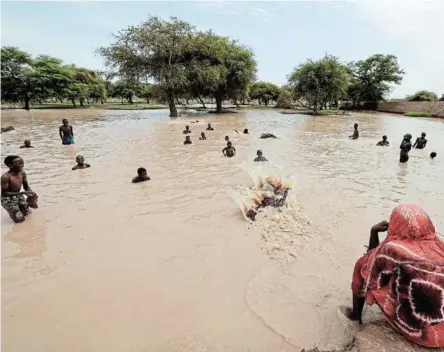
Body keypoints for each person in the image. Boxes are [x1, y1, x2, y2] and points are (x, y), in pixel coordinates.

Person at [341, 204, 444, 348]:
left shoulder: (393, 250)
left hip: (419, 331)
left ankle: (356, 314)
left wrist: (373, 232)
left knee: (362, 266)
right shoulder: (440, 246)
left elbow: (370, 270)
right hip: (440, 323)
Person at [1, 155, 38, 223]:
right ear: (10, 165)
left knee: (27, 214)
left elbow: (26, 186)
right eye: (19, 164)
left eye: (22, 163)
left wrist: (32, 195)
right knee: (19, 219)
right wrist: (22, 193)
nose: (22, 165)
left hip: (18, 195)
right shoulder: (5, 177)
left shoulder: (22, 173)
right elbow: (4, 193)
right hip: (7, 198)